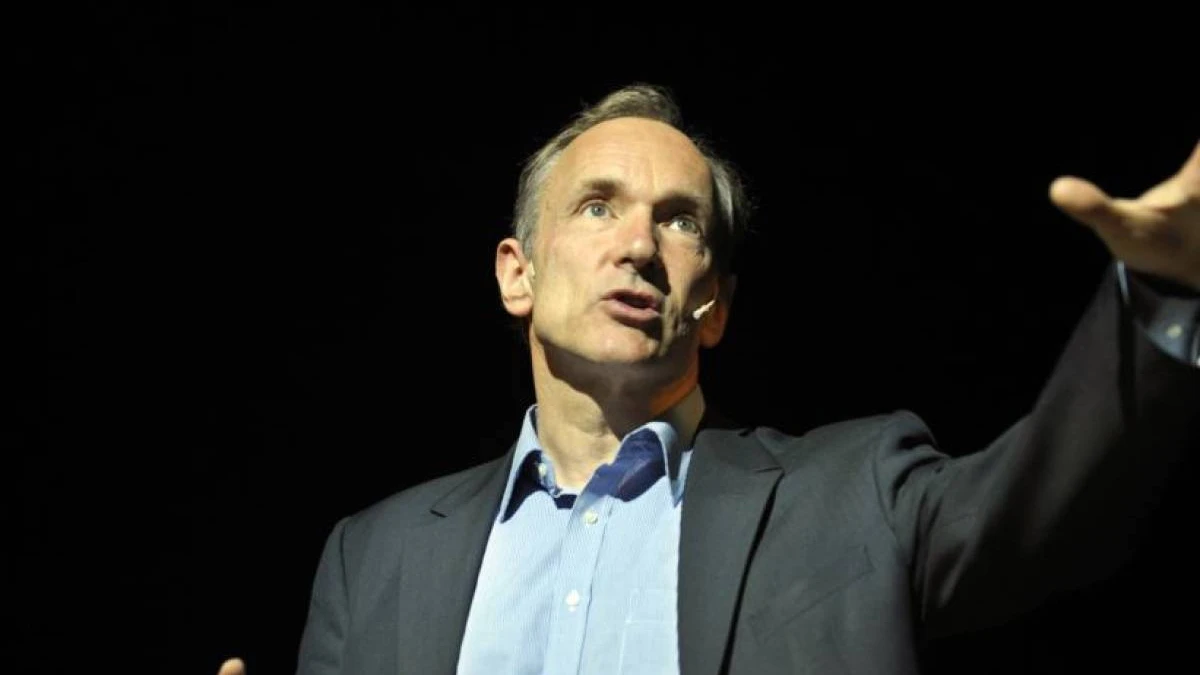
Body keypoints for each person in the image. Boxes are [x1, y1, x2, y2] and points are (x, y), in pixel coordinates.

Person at [218, 85, 1200, 675]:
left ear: (716, 305)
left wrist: (1163, 293)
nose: (640, 245)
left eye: (681, 221)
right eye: (597, 207)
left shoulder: (850, 494)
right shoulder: (373, 557)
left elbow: (1042, 508)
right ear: (518, 273)